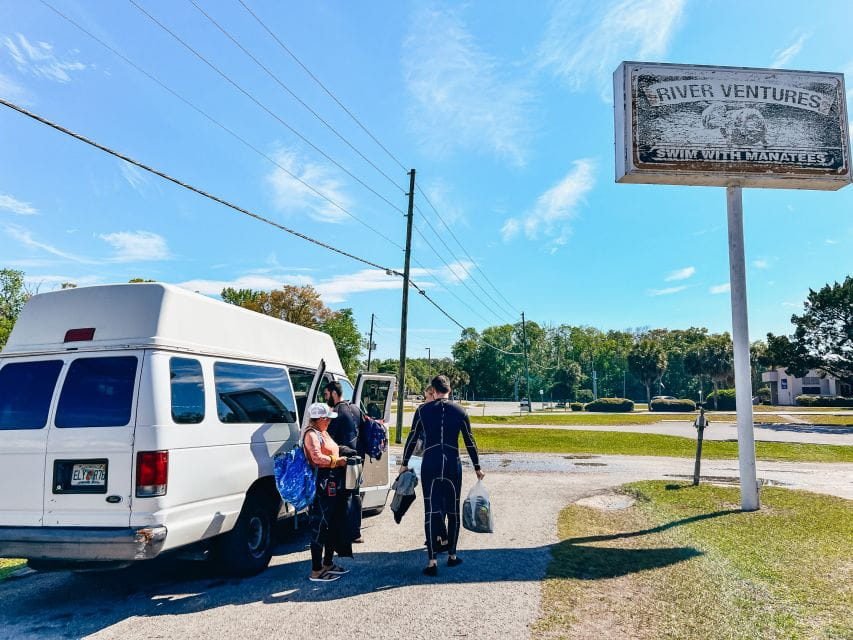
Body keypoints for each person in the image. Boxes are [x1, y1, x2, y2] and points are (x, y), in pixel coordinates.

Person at [399, 375, 484, 576]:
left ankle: (432, 561)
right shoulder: (460, 411)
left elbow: (412, 438)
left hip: (431, 463)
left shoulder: (422, 410)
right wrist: (477, 466)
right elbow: (469, 441)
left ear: (434, 391)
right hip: (453, 464)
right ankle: (452, 556)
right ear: (449, 391)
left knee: (431, 510)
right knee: (453, 511)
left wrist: (404, 463)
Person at [303, 402, 354, 582]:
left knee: (331, 523)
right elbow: (316, 458)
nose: (330, 422)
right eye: (327, 419)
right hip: (321, 484)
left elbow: (333, 448)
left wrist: (346, 451)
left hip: (332, 482)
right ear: (321, 419)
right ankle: (316, 570)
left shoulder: (322, 433)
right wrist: (337, 461)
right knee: (320, 525)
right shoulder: (311, 434)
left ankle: (328, 563)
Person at [324, 381, 365, 543]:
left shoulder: (336, 412)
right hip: (358, 459)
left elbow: (329, 438)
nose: (325, 398)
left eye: (326, 394)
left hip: (343, 460)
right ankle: (356, 533)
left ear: (334, 393)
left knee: (342, 496)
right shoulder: (355, 408)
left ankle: (343, 532)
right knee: (355, 494)